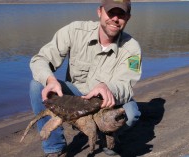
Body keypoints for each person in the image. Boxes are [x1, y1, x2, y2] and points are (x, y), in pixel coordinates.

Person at [29, 0, 142, 156]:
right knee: (37, 85)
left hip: (106, 101)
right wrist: (50, 80)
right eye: (111, 13)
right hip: (76, 97)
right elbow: (40, 59)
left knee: (131, 115)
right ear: (100, 12)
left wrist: (108, 87)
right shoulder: (74, 30)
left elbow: (127, 84)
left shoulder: (132, 48)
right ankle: (54, 148)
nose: (115, 19)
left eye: (121, 14)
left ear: (128, 17)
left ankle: (106, 136)